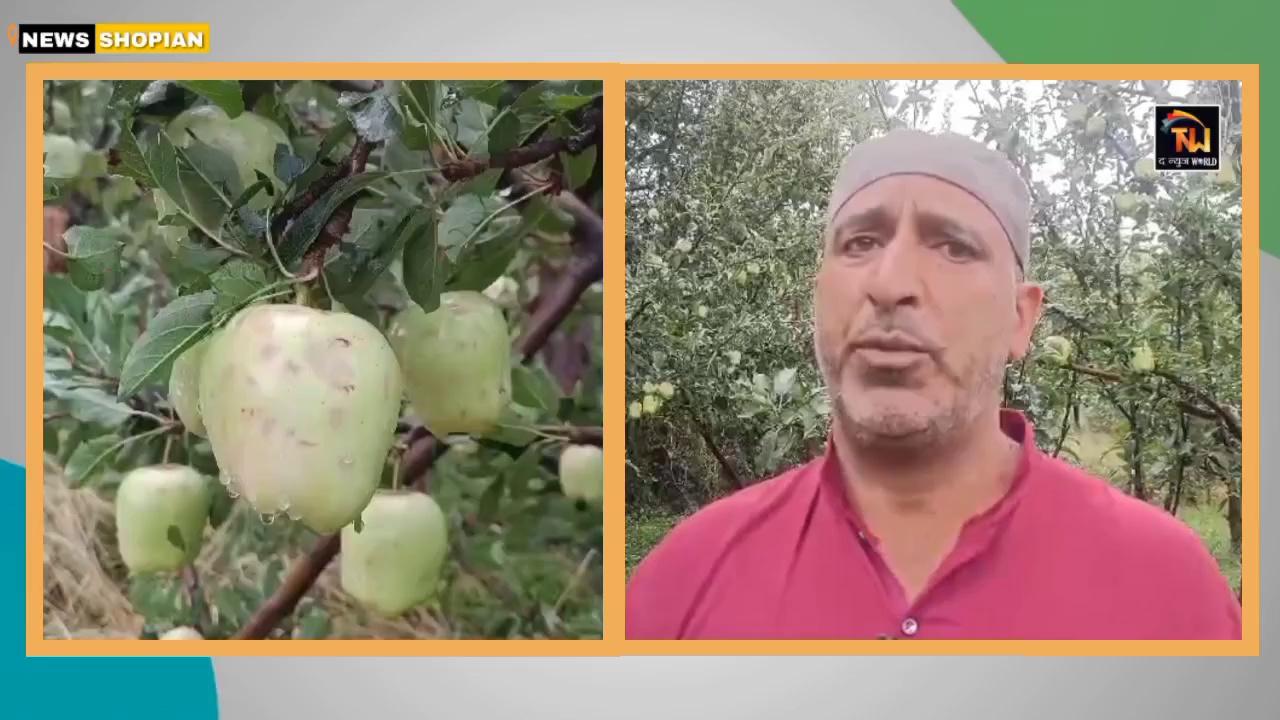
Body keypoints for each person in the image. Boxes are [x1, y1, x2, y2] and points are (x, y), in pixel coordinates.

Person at [625, 129, 1242, 640]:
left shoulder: (1167, 587)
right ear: (815, 301)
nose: (891, 283)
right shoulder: (685, 578)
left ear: (1020, 318)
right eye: (861, 241)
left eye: (953, 247)